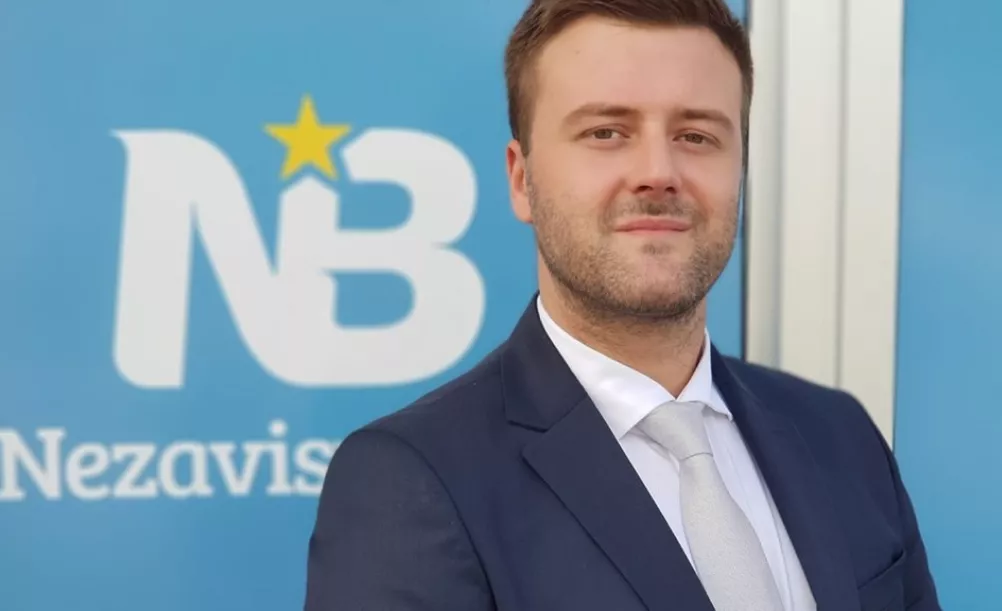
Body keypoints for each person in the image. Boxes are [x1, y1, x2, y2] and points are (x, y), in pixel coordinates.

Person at [303, 0, 941, 609]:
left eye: (696, 135)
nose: (658, 171)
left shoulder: (841, 438)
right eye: (606, 132)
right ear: (522, 180)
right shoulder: (414, 479)